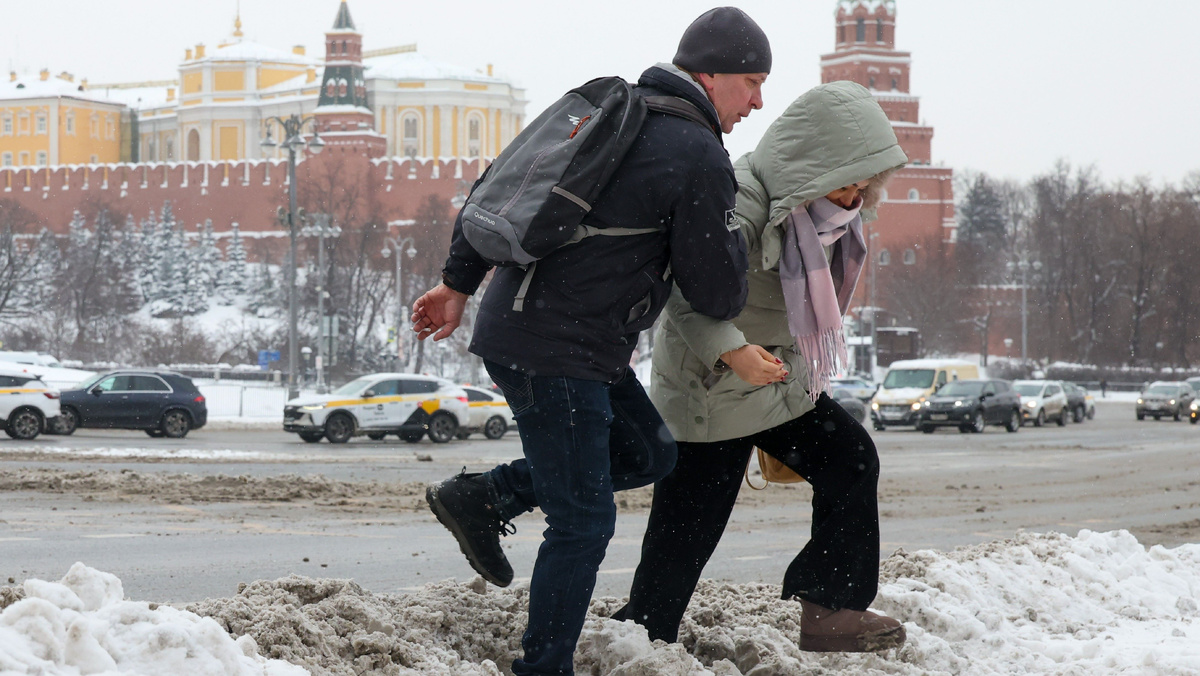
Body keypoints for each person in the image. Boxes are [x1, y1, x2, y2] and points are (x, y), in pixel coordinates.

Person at [411, 8, 771, 674]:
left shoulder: (611, 110)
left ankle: (487, 497)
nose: (757, 101)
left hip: (546, 334)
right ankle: (543, 667)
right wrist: (730, 238)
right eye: (751, 82)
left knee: (647, 450)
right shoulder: (695, 150)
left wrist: (457, 284)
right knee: (583, 521)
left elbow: (496, 184)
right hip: (559, 348)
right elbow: (716, 292)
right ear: (710, 73)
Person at [608, 81, 910, 653]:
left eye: (864, 188)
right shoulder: (740, 201)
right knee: (687, 534)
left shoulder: (824, 215)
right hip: (714, 382)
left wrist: (777, 365)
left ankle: (830, 607)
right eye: (846, 184)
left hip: (775, 382)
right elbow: (682, 291)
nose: (853, 201)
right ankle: (640, 635)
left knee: (850, 459)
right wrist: (733, 352)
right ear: (814, 167)